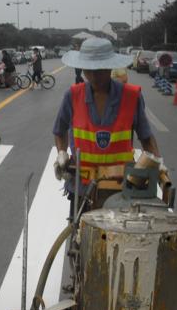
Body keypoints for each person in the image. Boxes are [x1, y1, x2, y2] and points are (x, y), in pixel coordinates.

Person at [52, 38, 163, 215]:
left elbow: (146, 138)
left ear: (111, 67)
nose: (95, 76)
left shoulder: (131, 96)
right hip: (81, 188)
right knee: (79, 237)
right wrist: (61, 153)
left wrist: (158, 165)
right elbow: (59, 131)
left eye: (101, 70)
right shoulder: (72, 96)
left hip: (121, 188)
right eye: (89, 71)